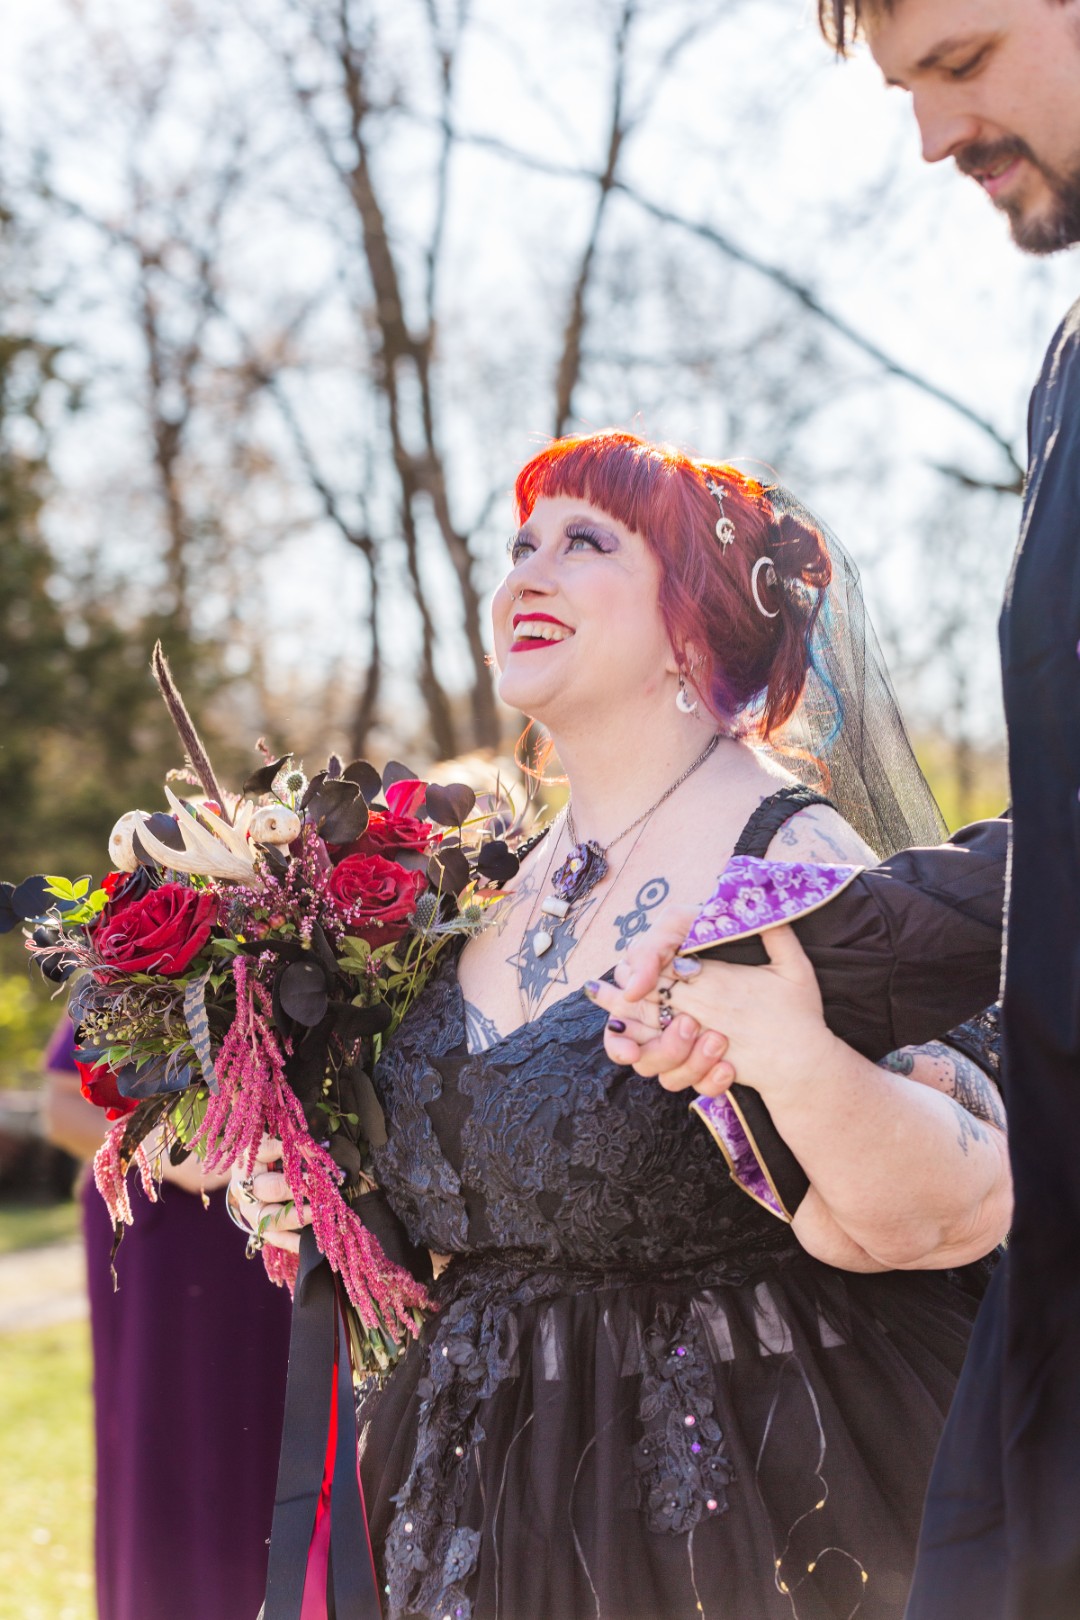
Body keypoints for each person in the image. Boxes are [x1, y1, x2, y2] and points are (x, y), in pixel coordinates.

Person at [236, 430, 1010, 1620]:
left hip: (739, 1506)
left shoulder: (784, 859)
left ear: (692, 625)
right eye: (520, 547)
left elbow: (959, 1208)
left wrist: (791, 1058)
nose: (524, 577)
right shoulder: (479, 894)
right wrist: (314, 1190)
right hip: (476, 1503)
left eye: (585, 542)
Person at [809, 7, 1078, 1618]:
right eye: (910, 90)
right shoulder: (1066, 370)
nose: (932, 141)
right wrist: (821, 940)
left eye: (965, 64)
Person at [43, 1020, 293, 1620]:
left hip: (282, 1234)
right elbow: (60, 1106)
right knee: (166, 1455)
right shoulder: (131, 940)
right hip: (163, 1244)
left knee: (279, 1447)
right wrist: (168, 1151)